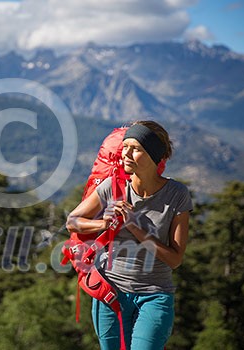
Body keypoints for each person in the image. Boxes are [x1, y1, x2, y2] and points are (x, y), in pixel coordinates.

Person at [66, 120, 192, 350]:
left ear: (155, 155)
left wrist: (135, 227)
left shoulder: (177, 194)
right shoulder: (110, 187)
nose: (126, 153)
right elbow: (72, 222)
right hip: (110, 293)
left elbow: (175, 259)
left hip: (154, 296)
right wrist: (104, 223)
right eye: (125, 146)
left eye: (136, 149)